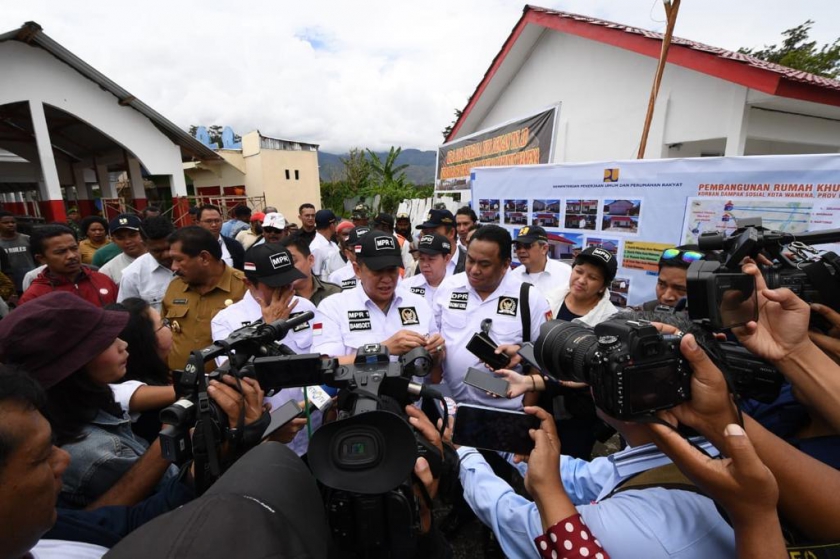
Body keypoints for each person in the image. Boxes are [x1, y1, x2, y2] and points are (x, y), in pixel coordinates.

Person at [0, 293, 178, 509]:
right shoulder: (97, 453)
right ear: (71, 367)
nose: (123, 344)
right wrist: (172, 437)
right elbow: (173, 494)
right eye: (105, 342)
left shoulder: (85, 407)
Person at [212, 243, 319, 454]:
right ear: (248, 283)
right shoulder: (226, 321)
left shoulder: (305, 308)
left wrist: (318, 404)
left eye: (288, 282)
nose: (287, 291)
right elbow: (238, 378)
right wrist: (267, 329)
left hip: (312, 429)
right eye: (275, 285)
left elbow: (319, 363)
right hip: (270, 438)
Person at [432, 225, 550, 410]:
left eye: (485, 264)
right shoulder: (449, 288)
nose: (474, 270)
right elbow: (437, 342)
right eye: (470, 260)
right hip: (452, 407)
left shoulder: (530, 298)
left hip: (506, 411)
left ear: (505, 265)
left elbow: (542, 360)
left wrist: (527, 410)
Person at [312, 231, 446, 370]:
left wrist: (436, 352)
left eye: (392, 270)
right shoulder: (333, 308)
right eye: (378, 271)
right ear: (357, 270)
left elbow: (435, 373)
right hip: (355, 391)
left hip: (412, 390)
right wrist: (383, 350)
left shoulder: (418, 304)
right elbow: (324, 366)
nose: (387, 279)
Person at [161, 226, 247, 372]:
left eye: (179, 260)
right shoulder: (175, 287)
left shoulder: (245, 288)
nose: (173, 267)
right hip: (180, 385)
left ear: (204, 258)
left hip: (227, 384)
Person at [106, 297, 176, 445]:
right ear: (144, 340)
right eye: (163, 324)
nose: (170, 328)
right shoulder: (118, 395)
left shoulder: (164, 374)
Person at [20, 224, 118, 307]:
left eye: (74, 248)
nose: (71, 255)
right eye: (60, 252)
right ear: (41, 258)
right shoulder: (34, 296)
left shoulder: (103, 280)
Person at [545, 246, 618, 325]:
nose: (581, 280)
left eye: (592, 277)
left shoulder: (610, 321)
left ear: (602, 287)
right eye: (579, 272)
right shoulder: (550, 298)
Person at [117, 216, 175, 313]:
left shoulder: (195, 261)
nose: (166, 255)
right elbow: (128, 316)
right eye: (157, 251)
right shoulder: (132, 275)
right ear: (144, 245)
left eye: (169, 248)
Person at [281, 235, 341, 307]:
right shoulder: (279, 299)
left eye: (293, 261)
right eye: (284, 264)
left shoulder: (334, 292)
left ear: (311, 260)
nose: (288, 268)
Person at [510, 225, 572, 295]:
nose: (521, 251)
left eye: (527, 245)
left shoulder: (566, 273)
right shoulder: (513, 277)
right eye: (518, 247)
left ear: (544, 249)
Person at [403, 233, 452, 306]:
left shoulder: (458, 288)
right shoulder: (406, 287)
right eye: (422, 259)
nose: (425, 264)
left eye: (431, 259)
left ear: (447, 259)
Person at [99, 214, 148, 284]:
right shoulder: (107, 271)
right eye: (120, 238)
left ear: (143, 234)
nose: (128, 241)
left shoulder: (160, 258)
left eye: (132, 235)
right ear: (114, 241)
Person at [417, 208, 466, 275]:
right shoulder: (422, 264)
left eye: (433, 233)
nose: (429, 238)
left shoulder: (469, 262)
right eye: (425, 233)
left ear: (451, 233)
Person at [196, 204, 245, 271]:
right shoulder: (188, 247)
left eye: (217, 220)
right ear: (198, 223)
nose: (214, 225)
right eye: (208, 221)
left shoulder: (234, 246)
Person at [0, 210, 36, 296]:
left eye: (13, 222)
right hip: (11, 284)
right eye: (6, 223)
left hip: (31, 281)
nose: (10, 224)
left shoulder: (28, 239)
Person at [309, 209, 341, 277]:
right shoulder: (317, 248)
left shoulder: (333, 244)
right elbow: (315, 276)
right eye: (336, 223)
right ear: (332, 225)